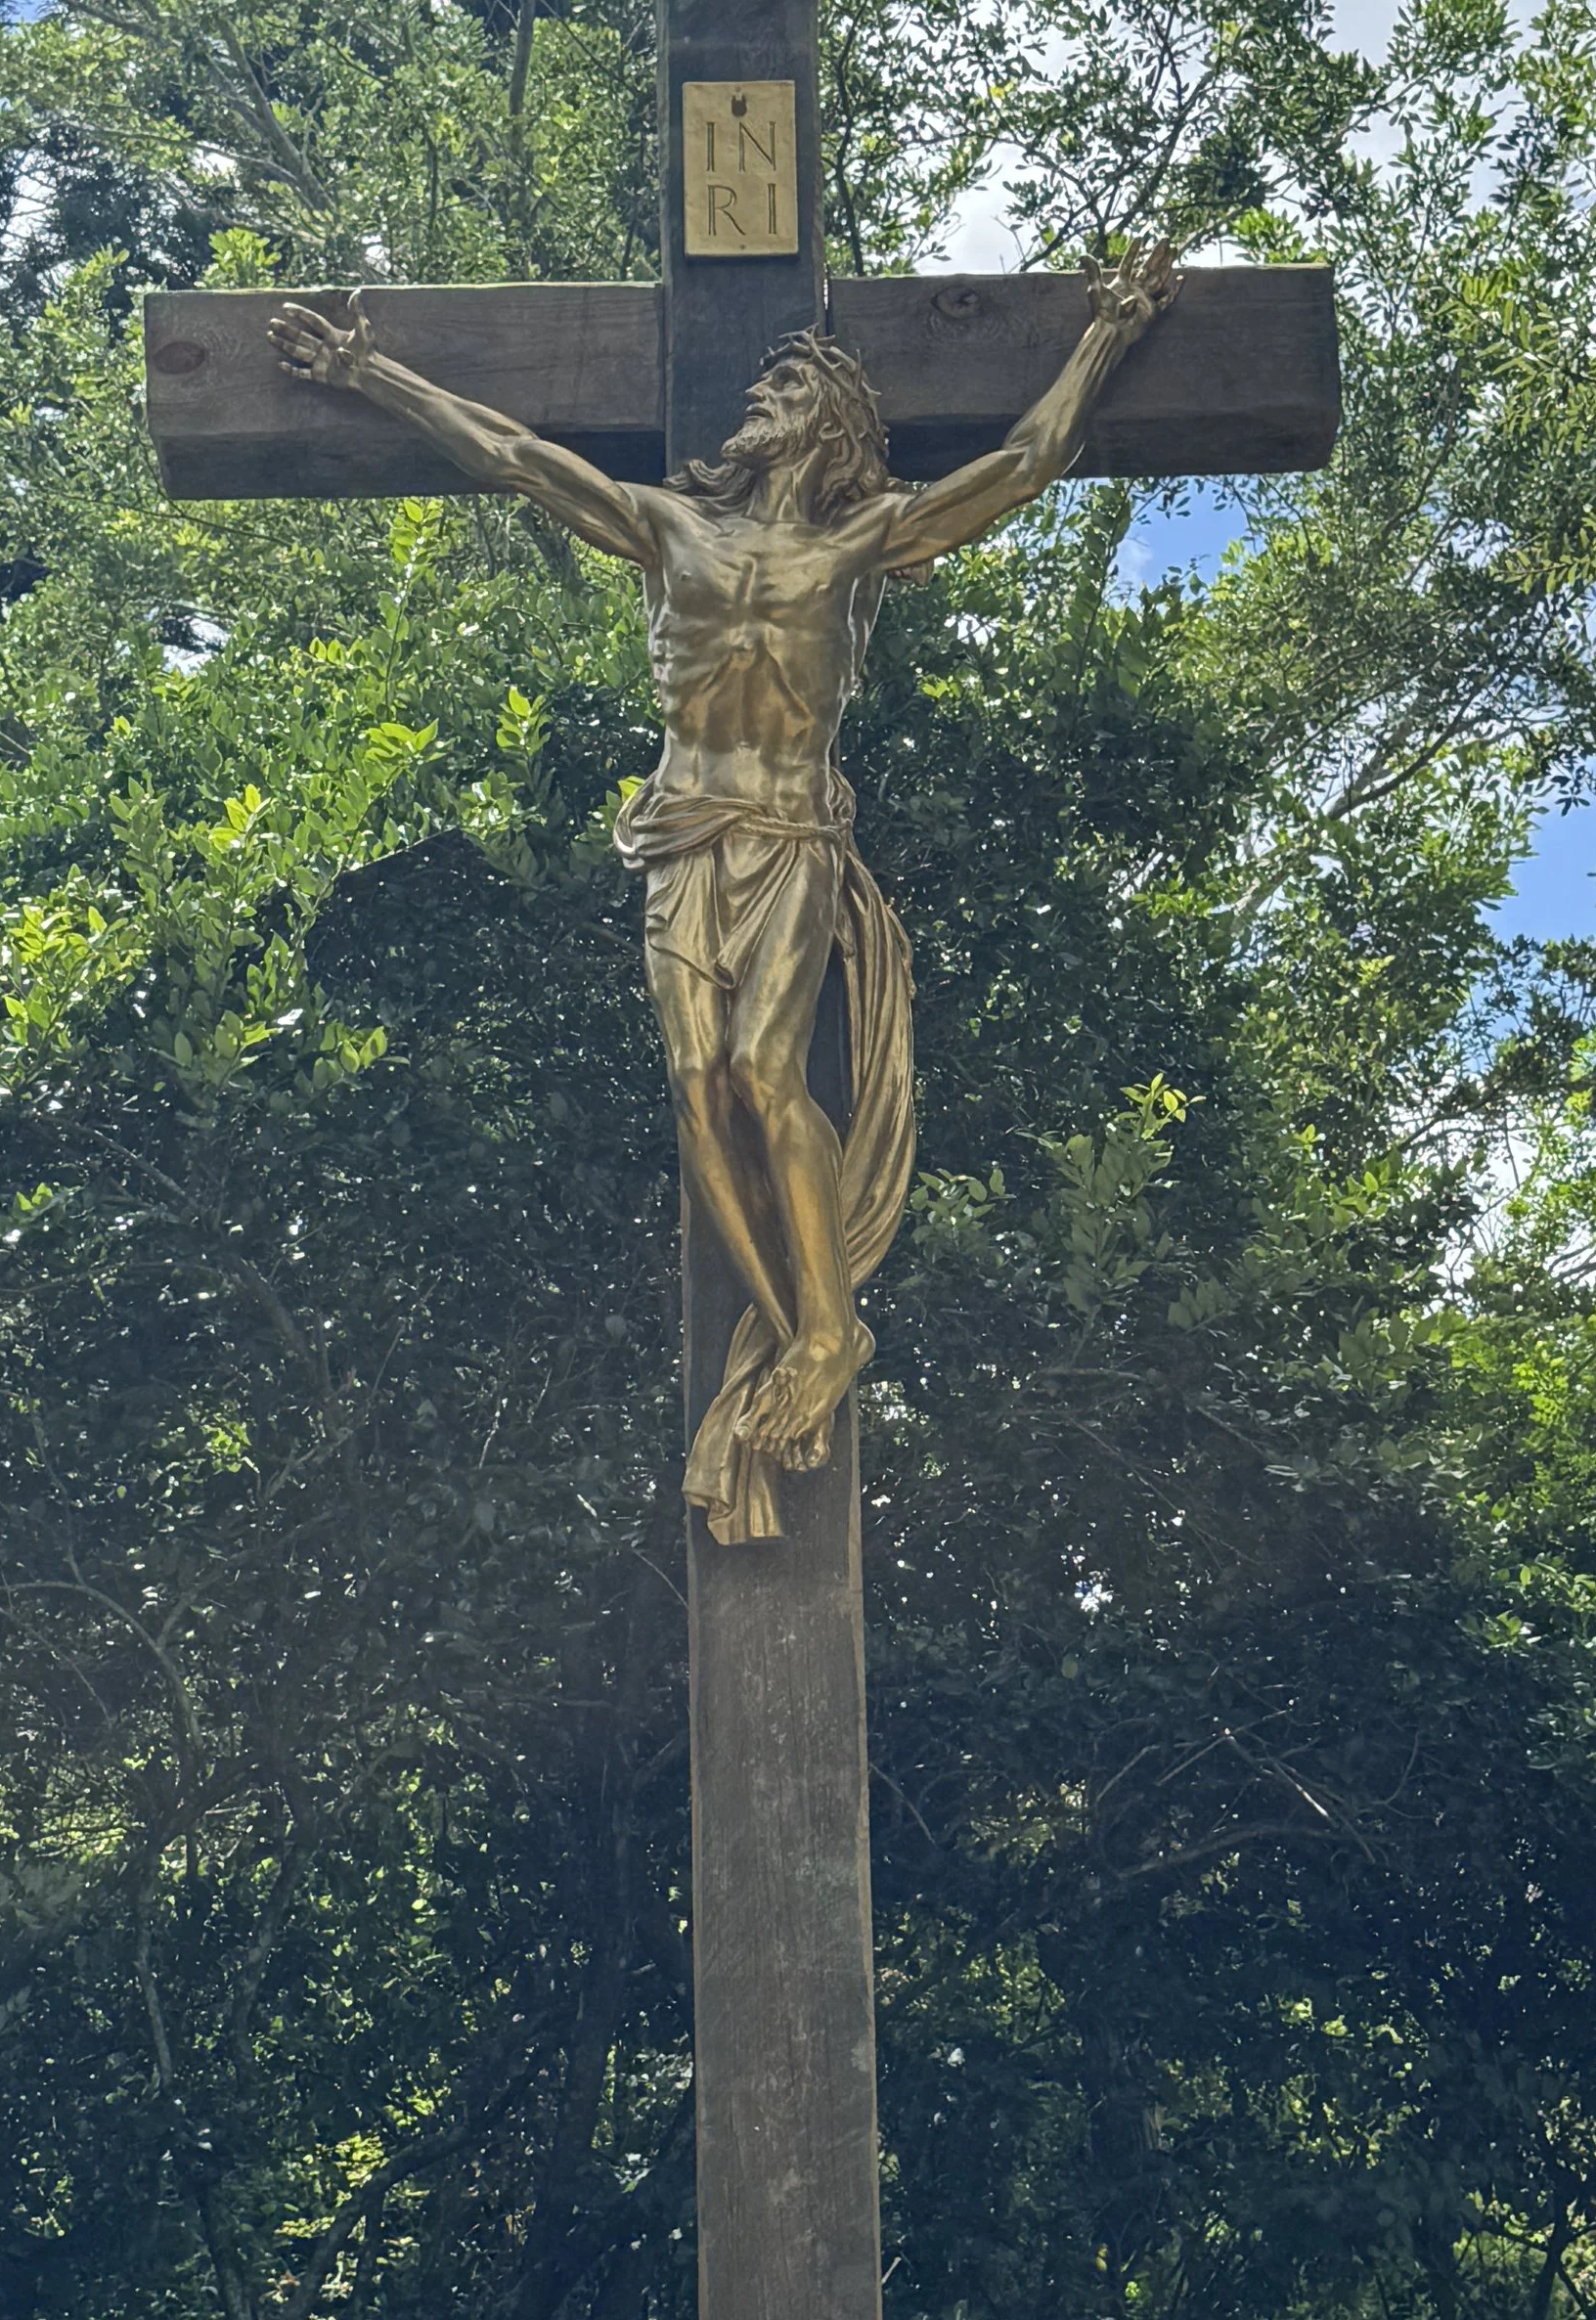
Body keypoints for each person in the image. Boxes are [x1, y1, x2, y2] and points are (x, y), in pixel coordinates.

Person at [269, 242, 1181, 1541]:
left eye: (785, 386)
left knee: (764, 1071)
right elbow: (519, 459)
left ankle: (824, 1330)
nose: (758, 398)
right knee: (700, 1086)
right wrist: (373, 374)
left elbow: (1025, 465)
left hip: (793, 829)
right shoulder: (671, 526)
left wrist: (1107, 333)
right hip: (684, 829)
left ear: (832, 421)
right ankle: (799, 1322)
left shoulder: (861, 540)